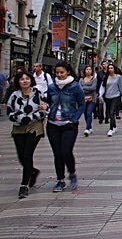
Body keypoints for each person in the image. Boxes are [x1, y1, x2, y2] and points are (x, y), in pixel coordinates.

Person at [46, 61, 86, 192]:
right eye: (57, 72)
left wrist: (74, 119)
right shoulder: (52, 87)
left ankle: (72, 172)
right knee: (57, 153)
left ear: (68, 72)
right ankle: (60, 180)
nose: (59, 75)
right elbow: (48, 102)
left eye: (61, 72)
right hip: (52, 124)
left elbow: (81, 104)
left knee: (65, 151)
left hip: (68, 123)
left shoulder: (75, 87)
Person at [6, 70, 47, 198]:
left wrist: (33, 116)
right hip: (18, 127)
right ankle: (32, 171)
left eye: (27, 79)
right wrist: (21, 118)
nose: (25, 81)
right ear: (18, 81)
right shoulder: (14, 95)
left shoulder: (38, 93)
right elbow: (9, 111)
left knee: (27, 154)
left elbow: (46, 108)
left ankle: (24, 185)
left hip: (34, 127)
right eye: (22, 79)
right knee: (21, 156)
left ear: (31, 80)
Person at [99, 64, 122, 136]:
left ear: (114, 69)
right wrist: (100, 95)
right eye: (109, 68)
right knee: (109, 112)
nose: (110, 69)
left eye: (112, 68)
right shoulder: (106, 77)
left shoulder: (118, 77)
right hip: (107, 97)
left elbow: (121, 87)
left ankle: (111, 129)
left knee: (112, 112)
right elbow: (103, 87)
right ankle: (114, 126)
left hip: (116, 96)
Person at [79, 66, 97, 137]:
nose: (88, 71)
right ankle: (89, 127)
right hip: (83, 98)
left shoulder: (94, 79)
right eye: (87, 69)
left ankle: (87, 128)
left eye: (90, 69)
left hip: (92, 98)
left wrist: (83, 87)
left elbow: (93, 88)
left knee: (89, 112)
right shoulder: (81, 79)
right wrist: (87, 89)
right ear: (84, 71)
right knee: (85, 113)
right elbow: (79, 89)